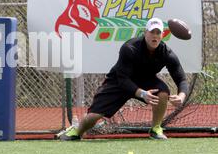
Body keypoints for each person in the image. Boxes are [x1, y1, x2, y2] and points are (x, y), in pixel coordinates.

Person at [58, 17, 189, 141]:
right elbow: (123, 80)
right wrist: (142, 93)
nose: (154, 35)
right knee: (93, 117)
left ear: (162, 35)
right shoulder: (130, 48)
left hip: (145, 80)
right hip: (119, 81)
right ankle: (77, 131)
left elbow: (181, 78)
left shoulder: (167, 53)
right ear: (145, 33)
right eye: (151, 32)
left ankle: (156, 129)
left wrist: (181, 97)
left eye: (158, 32)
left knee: (163, 93)